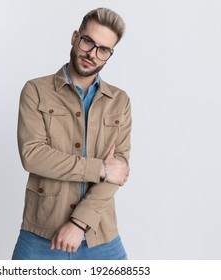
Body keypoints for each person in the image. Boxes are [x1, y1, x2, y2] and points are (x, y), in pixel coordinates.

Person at [12, 7, 131, 260]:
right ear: (75, 37)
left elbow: (118, 171)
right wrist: (100, 168)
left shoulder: (119, 101)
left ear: (110, 54)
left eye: (103, 49)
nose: (92, 54)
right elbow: (33, 156)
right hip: (41, 234)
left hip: (100, 235)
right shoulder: (36, 91)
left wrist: (79, 224)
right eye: (88, 41)